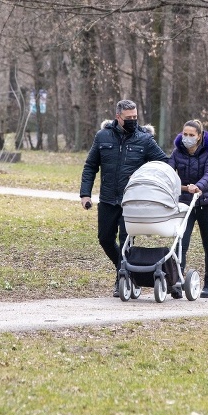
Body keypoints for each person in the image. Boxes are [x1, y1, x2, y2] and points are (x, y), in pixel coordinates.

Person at [80, 100, 168, 296]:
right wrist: (85, 194)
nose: (133, 121)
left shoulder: (144, 140)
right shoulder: (102, 137)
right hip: (108, 199)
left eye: (135, 118)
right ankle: (125, 270)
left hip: (131, 201)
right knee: (104, 239)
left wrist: (144, 177)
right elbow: (90, 166)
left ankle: (122, 279)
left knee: (125, 240)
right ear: (118, 117)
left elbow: (164, 163)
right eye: (129, 118)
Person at [168, 119, 208, 298]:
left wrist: (199, 186)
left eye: (191, 135)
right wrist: (178, 186)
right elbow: (168, 172)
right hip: (185, 205)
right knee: (182, 243)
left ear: (199, 137)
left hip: (205, 203)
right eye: (185, 134)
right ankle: (177, 282)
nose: (187, 138)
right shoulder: (177, 153)